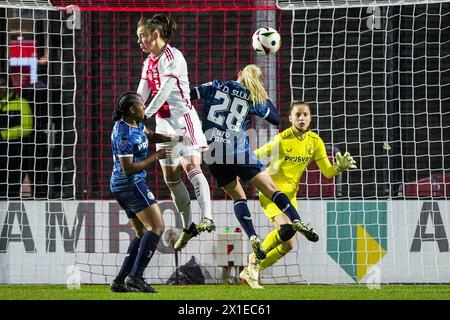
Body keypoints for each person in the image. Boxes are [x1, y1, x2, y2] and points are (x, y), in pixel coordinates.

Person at [190, 65, 320, 288]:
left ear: (238, 72)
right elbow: (277, 119)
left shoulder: (216, 85)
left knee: (238, 196)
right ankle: (296, 219)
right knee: (271, 189)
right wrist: (266, 96)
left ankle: (252, 236)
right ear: (256, 80)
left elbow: (190, 95)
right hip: (238, 152)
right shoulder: (253, 97)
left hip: (212, 153)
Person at [242, 101, 357, 289]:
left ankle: (250, 271)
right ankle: (253, 259)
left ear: (310, 118)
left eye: (305, 115)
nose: (301, 118)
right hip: (270, 191)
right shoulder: (282, 139)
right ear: (290, 118)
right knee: (286, 228)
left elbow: (328, 173)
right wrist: (238, 162)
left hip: (290, 196)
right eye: (297, 115)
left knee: (288, 245)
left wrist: (339, 167)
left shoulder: (315, 142)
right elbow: (258, 154)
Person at [136, 14, 214, 251]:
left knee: (191, 167)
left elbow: (165, 92)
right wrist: (133, 110)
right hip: (163, 125)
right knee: (171, 179)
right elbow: (143, 92)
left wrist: (143, 114)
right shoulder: (148, 62)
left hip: (183, 121)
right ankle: (189, 226)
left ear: (155, 35)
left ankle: (207, 218)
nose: (139, 42)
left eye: (142, 36)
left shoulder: (174, 57)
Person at [109, 92, 186, 293]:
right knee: (157, 226)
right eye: (142, 105)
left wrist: (176, 138)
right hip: (130, 184)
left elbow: (151, 136)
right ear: (132, 110)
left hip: (123, 185)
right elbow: (129, 168)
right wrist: (157, 156)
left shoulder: (137, 125)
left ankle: (120, 280)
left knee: (142, 231)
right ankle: (136, 277)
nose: (146, 108)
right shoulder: (123, 134)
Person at [0, 75, 33, 199]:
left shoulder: (21, 103)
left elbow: (27, 127)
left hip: (15, 156)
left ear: (9, 86)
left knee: (12, 191)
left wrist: (3, 135)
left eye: (2, 84)